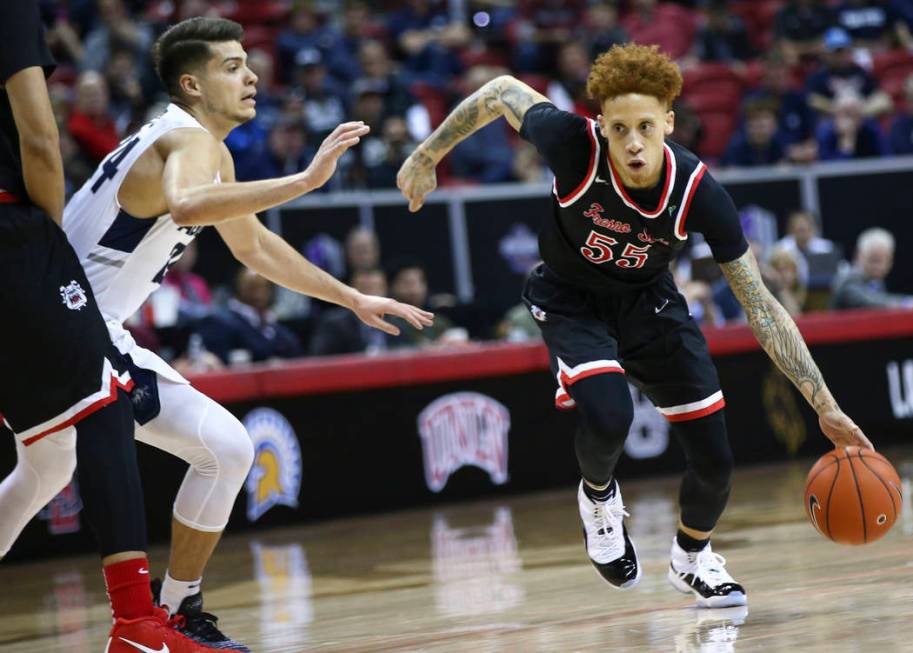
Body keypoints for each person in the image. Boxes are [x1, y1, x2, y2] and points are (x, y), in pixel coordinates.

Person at [397, 43, 872, 608]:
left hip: (649, 302)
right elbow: (500, 90)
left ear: (668, 122)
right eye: (619, 128)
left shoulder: (698, 190)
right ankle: (599, 500)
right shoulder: (573, 144)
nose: (633, 142)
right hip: (570, 298)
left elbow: (761, 305)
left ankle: (692, 558)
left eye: (646, 126)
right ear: (601, 125)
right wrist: (427, 155)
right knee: (609, 413)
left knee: (716, 461)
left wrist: (824, 404)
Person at [61, 16, 434, 650]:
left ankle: (176, 612)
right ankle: (157, 621)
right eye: (231, 65)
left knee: (221, 450)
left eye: (247, 62)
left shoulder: (195, 143)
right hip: (72, 329)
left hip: (77, 325)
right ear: (193, 84)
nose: (253, 74)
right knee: (217, 450)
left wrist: (350, 298)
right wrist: (305, 181)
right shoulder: (190, 141)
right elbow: (184, 206)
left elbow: (254, 246)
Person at [0, 3, 214, 652]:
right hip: (10, 230)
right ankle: (137, 623)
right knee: (104, 403)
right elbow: (39, 135)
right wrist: (48, 243)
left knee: (45, 456)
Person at [831, 228, 913, 309]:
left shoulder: (876, 281)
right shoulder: (848, 280)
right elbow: (869, 302)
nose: (878, 267)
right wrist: (904, 303)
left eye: (883, 261)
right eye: (873, 260)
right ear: (858, 255)